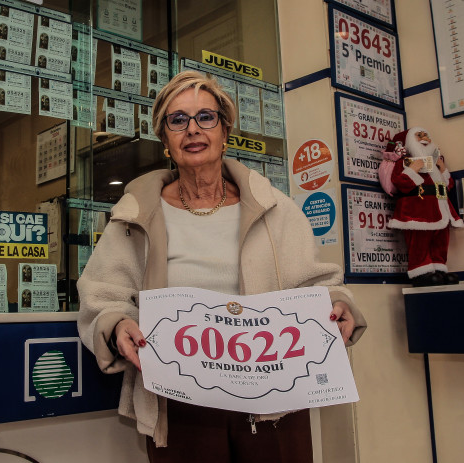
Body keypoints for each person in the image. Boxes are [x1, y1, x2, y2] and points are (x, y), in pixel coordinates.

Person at [77, 70, 366, 462]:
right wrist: (118, 323)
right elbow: (103, 295)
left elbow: (314, 282)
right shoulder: (136, 215)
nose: (192, 129)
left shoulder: (274, 207)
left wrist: (337, 303)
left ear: (224, 131)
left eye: (205, 117)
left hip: (275, 401)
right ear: (165, 140)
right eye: (177, 120)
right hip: (180, 403)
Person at [387, 128, 464, 286]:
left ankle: (439, 269)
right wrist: (412, 169)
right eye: (419, 135)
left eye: (426, 135)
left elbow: (447, 185)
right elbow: (400, 182)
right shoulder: (405, 162)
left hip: (440, 207)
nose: (424, 138)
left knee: (440, 241)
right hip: (418, 210)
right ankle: (420, 271)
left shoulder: (435, 162)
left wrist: (442, 168)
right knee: (419, 242)